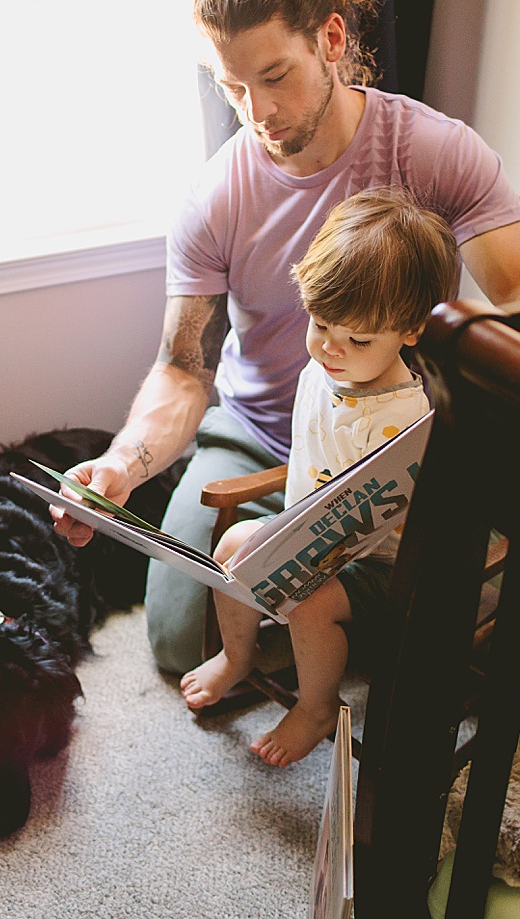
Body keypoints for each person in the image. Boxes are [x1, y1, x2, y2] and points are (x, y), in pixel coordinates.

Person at [51, 0, 520, 674]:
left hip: (391, 436)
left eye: (273, 76)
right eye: (231, 87)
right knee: (174, 641)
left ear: (330, 39)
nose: (256, 113)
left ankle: (337, 614)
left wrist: (480, 437)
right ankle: (331, 613)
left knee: (447, 631)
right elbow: (183, 369)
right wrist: (121, 464)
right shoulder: (214, 197)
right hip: (261, 429)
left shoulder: (432, 151)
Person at [180, 185, 458, 765]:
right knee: (230, 546)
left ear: (410, 332)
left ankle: (316, 703)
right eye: (320, 323)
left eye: (358, 339)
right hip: (308, 533)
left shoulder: (408, 416)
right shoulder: (323, 369)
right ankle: (237, 655)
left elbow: (417, 509)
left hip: (384, 563)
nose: (331, 348)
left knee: (310, 604)